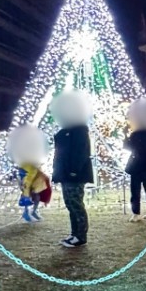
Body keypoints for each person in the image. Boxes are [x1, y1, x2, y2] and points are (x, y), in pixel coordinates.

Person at [50, 91, 94, 248]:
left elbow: (81, 152)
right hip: (66, 174)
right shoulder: (68, 129)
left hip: (74, 175)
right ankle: (75, 233)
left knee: (75, 204)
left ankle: (80, 235)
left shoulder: (79, 129)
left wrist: (74, 170)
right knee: (70, 204)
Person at [123, 121, 146, 221]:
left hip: (137, 166)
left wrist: (125, 136)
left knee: (136, 190)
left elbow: (128, 147)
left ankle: (136, 213)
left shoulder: (136, 134)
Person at [16, 159, 52, 223]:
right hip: (26, 170)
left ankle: (34, 211)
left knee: (37, 192)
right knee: (26, 193)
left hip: (36, 170)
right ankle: (26, 212)